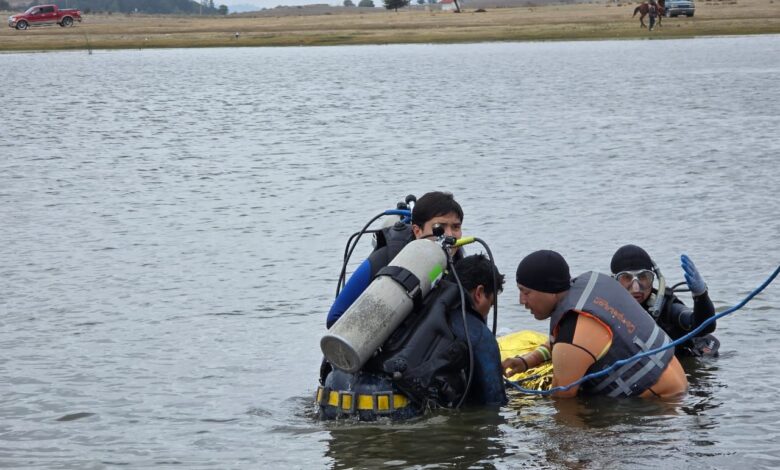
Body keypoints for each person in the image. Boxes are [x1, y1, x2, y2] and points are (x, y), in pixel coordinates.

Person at [317, 254, 507, 420]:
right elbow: (493, 401)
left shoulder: (407, 303)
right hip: (389, 410)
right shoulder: (476, 331)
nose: (487, 312)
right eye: (491, 304)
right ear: (480, 293)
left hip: (333, 395)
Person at [502, 250, 688, 398]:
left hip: (661, 406)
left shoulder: (573, 332)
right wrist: (526, 362)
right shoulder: (590, 289)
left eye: (525, 292)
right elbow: (563, 343)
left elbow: (562, 400)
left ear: (548, 290)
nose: (521, 301)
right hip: (678, 386)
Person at [326, 191, 464, 328]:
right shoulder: (385, 258)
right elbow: (335, 318)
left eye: (456, 227)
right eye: (440, 227)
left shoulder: (460, 265)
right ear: (417, 231)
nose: (450, 235)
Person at [610, 244, 719, 357]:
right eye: (627, 278)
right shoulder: (604, 308)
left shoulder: (666, 308)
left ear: (653, 279)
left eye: (643, 277)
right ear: (615, 281)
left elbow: (705, 326)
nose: (636, 288)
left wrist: (701, 296)